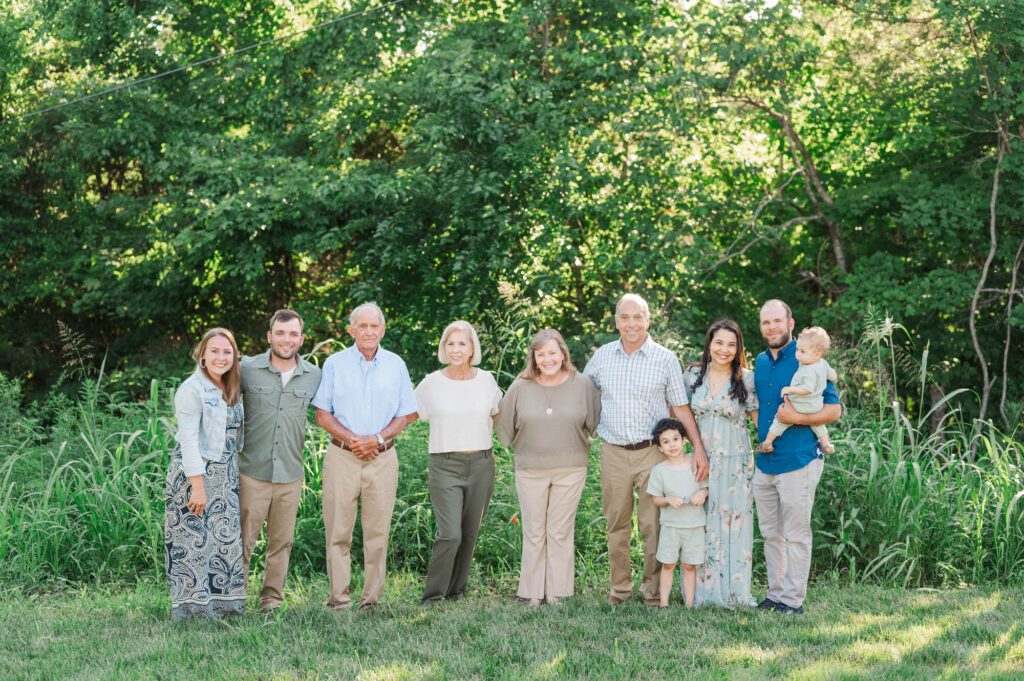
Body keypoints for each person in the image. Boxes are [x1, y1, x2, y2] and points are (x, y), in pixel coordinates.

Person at [583, 293, 710, 606]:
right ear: (616, 321)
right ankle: (620, 589)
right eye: (625, 317)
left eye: (638, 316)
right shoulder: (601, 356)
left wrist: (699, 450)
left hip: (653, 454)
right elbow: (580, 395)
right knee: (616, 524)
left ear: (648, 319)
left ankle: (653, 592)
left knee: (654, 526)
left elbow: (680, 408)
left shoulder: (665, 358)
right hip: (613, 451)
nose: (631, 323)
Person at [313, 303, 418, 611]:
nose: (369, 331)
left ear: (382, 330)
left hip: (383, 458)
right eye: (363, 326)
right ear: (351, 330)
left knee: (377, 532)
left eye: (375, 326)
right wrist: (355, 440)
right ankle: (339, 600)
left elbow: (407, 413)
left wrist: (377, 439)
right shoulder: (335, 363)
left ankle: (371, 600)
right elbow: (322, 414)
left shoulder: (396, 364)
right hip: (342, 457)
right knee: (338, 532)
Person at [495, 329, 601, 606]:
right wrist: (521, 446)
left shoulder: (583, 384)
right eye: (540, 354)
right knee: (533, 530)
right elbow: (504, 424)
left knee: (559, 530)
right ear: (534, 358)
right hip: (530, 468)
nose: (547, 359)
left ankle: (557, 592)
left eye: (552, 352)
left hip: (571, 467)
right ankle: (532, 592)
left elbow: (594, 422)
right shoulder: (520, 386)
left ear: (563, 353)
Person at [753, 300, 841, 615]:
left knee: (796, 534)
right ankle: (775, 594)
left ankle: (793, 600)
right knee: (771, 534)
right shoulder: (760, 362)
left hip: (800, 460)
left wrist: (795, 418)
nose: (772, 327)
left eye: (778, 321)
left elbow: (834, 410)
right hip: (765, 463)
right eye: (766, 322)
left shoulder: (811, 360)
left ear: (791, 323)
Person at [238, 309, 322, 613]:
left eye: (293, 334)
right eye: (281, 333)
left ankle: (271, 599)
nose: (287, 340)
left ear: (301, 338)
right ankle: (235, 597)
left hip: (290, 473)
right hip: (252, 471)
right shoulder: (247, 369)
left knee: (282, 542)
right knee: (243, 539)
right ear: (269, 336)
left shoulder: (314, 375)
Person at [415, 320, 502, 604]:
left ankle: (456, 591)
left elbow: (500, 416)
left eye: (462, 343)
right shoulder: (431, 383)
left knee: (469, 533)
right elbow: (407, 413)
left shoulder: (486, 380)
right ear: (443, 348)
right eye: (450, 343)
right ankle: (433, 595)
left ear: (472, 348)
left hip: (481, 463)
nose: (455, 349)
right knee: (449, 534)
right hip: (444, 464)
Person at [164, 328, 246, 620]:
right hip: (196, 474)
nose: (221, 357)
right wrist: (197, 486)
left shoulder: (230, 387)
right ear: (202, 356)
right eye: (214, 351)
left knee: (221, 541)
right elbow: (187, 440)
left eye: (227, 352)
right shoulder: (192, 389)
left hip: (225, 476)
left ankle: (225, 606)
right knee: (194, 543)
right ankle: (192, 610)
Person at [683, 318, 759, 608]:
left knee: (733, 524)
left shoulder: (747, 379)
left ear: (738, 348)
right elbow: (679, 415)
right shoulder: (692, 375)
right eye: (719, 342)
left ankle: (733, 593)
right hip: (699, 460)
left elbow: (759, 422)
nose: (724, 349)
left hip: (735, 463)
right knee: (699, 523)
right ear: (709, 344)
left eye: (731, 344)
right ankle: (699, 594)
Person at [647, 418, 708, 608]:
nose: (672, 445)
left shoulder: (695, 462)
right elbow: (656, 499)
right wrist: (668, 500)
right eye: (665, 442)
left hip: (694, 525)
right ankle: (663, 603)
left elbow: (706, 486)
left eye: (675, 439)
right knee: (668, 564)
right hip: (671, 527)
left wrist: (703, 492)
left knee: (689, 566)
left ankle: (689, 604)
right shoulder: (659, 471)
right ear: (660, 448)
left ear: (684, 440)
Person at [759, 326, 837, 455]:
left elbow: (807, 388)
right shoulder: (823, 363)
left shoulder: (808, 370)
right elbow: (832, 375)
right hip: (815, 406)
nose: (797, 354)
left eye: (802, 351)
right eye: (797, 349)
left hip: (799, 405)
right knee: (818, 425)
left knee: (779, 421)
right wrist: (832, 377)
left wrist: (789, 389)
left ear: (817, 354)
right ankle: (826, 445)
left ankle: (768, 442)